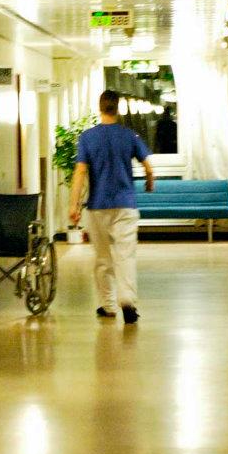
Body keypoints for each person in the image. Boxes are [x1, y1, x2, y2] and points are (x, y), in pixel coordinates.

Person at [69, 90, 154, 324]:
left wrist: (73, 205)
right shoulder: (129, 135)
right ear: (118, 108)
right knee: (125, 255)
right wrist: (149, 182)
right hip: (126, 204)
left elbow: (80, 172)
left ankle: (108, 305)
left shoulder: (87, 137)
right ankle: (127, 300)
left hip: (97, 206)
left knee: (103, 258)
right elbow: (148, 166)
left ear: (100, 108)